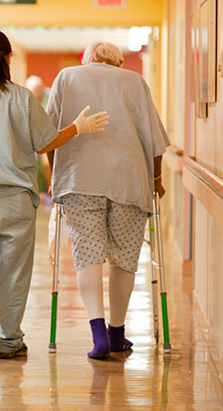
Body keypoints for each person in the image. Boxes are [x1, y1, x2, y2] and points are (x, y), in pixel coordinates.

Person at [0, 29, 109, 366]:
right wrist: (77, 128)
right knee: (13, 273)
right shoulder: (23, 98)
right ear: (8, 58)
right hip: (15, 200)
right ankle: (9, 341)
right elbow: (45, 143)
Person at [45, 41, 169, 360]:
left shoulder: (67, 77)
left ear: (86, 59)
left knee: (88, 254)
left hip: (79, 179)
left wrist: (53, 178)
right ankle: (117, 333)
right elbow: (155, 143)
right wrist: (156, 180)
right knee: (124, 256)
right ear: (117, 61)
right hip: (129, 180)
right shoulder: (135, 82)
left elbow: (48, 137)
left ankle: (98, 334)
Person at [24, 75, 51, 198]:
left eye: (37, 91)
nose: (36, 94)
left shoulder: (49, 96)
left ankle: (50, 191)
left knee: (47, 162)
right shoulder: (24, 97)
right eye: (33, 91)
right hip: (31, 136)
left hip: (48, 135)